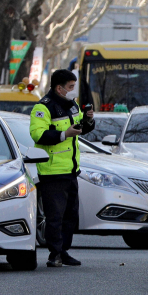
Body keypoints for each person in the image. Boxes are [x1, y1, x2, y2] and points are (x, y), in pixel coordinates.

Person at [30, 69, 95, 267]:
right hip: (52, 171)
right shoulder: (43, 108)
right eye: (70, 87)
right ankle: (54, 254)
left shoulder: (71, 105)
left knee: (70, 215)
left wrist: (88, 120)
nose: (73, 91)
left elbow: (79, 128)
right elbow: (38, 135)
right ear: (59, 88)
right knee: (55, 216)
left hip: (71, 170)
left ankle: (63, 251)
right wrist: (64, 134)